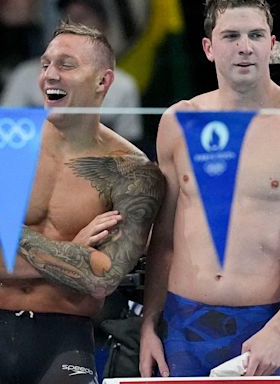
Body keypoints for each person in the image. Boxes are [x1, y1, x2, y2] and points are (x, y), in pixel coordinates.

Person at [0, 21, 164, 384]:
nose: (48, 76)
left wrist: (9, 233)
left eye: (66, 65)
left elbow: (101, 278)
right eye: (45, 64)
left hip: (66, 343)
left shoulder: (130, 171)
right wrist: (71, 251)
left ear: (103, 81)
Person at [139, 0, 280, 377]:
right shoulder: (178, 121)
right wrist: (150, 323)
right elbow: (164, 238)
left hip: (268, 325)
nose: (244, 47)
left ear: (273, 45)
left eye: (256, 35)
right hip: (184, 324)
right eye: (231, 36)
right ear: (208, 48)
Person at [0, 0, 144, 144]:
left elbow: (129, 145)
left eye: (82, 18)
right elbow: (1, 134)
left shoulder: (124, 85)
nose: (50, 75)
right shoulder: (25, 74)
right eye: (45, 65)